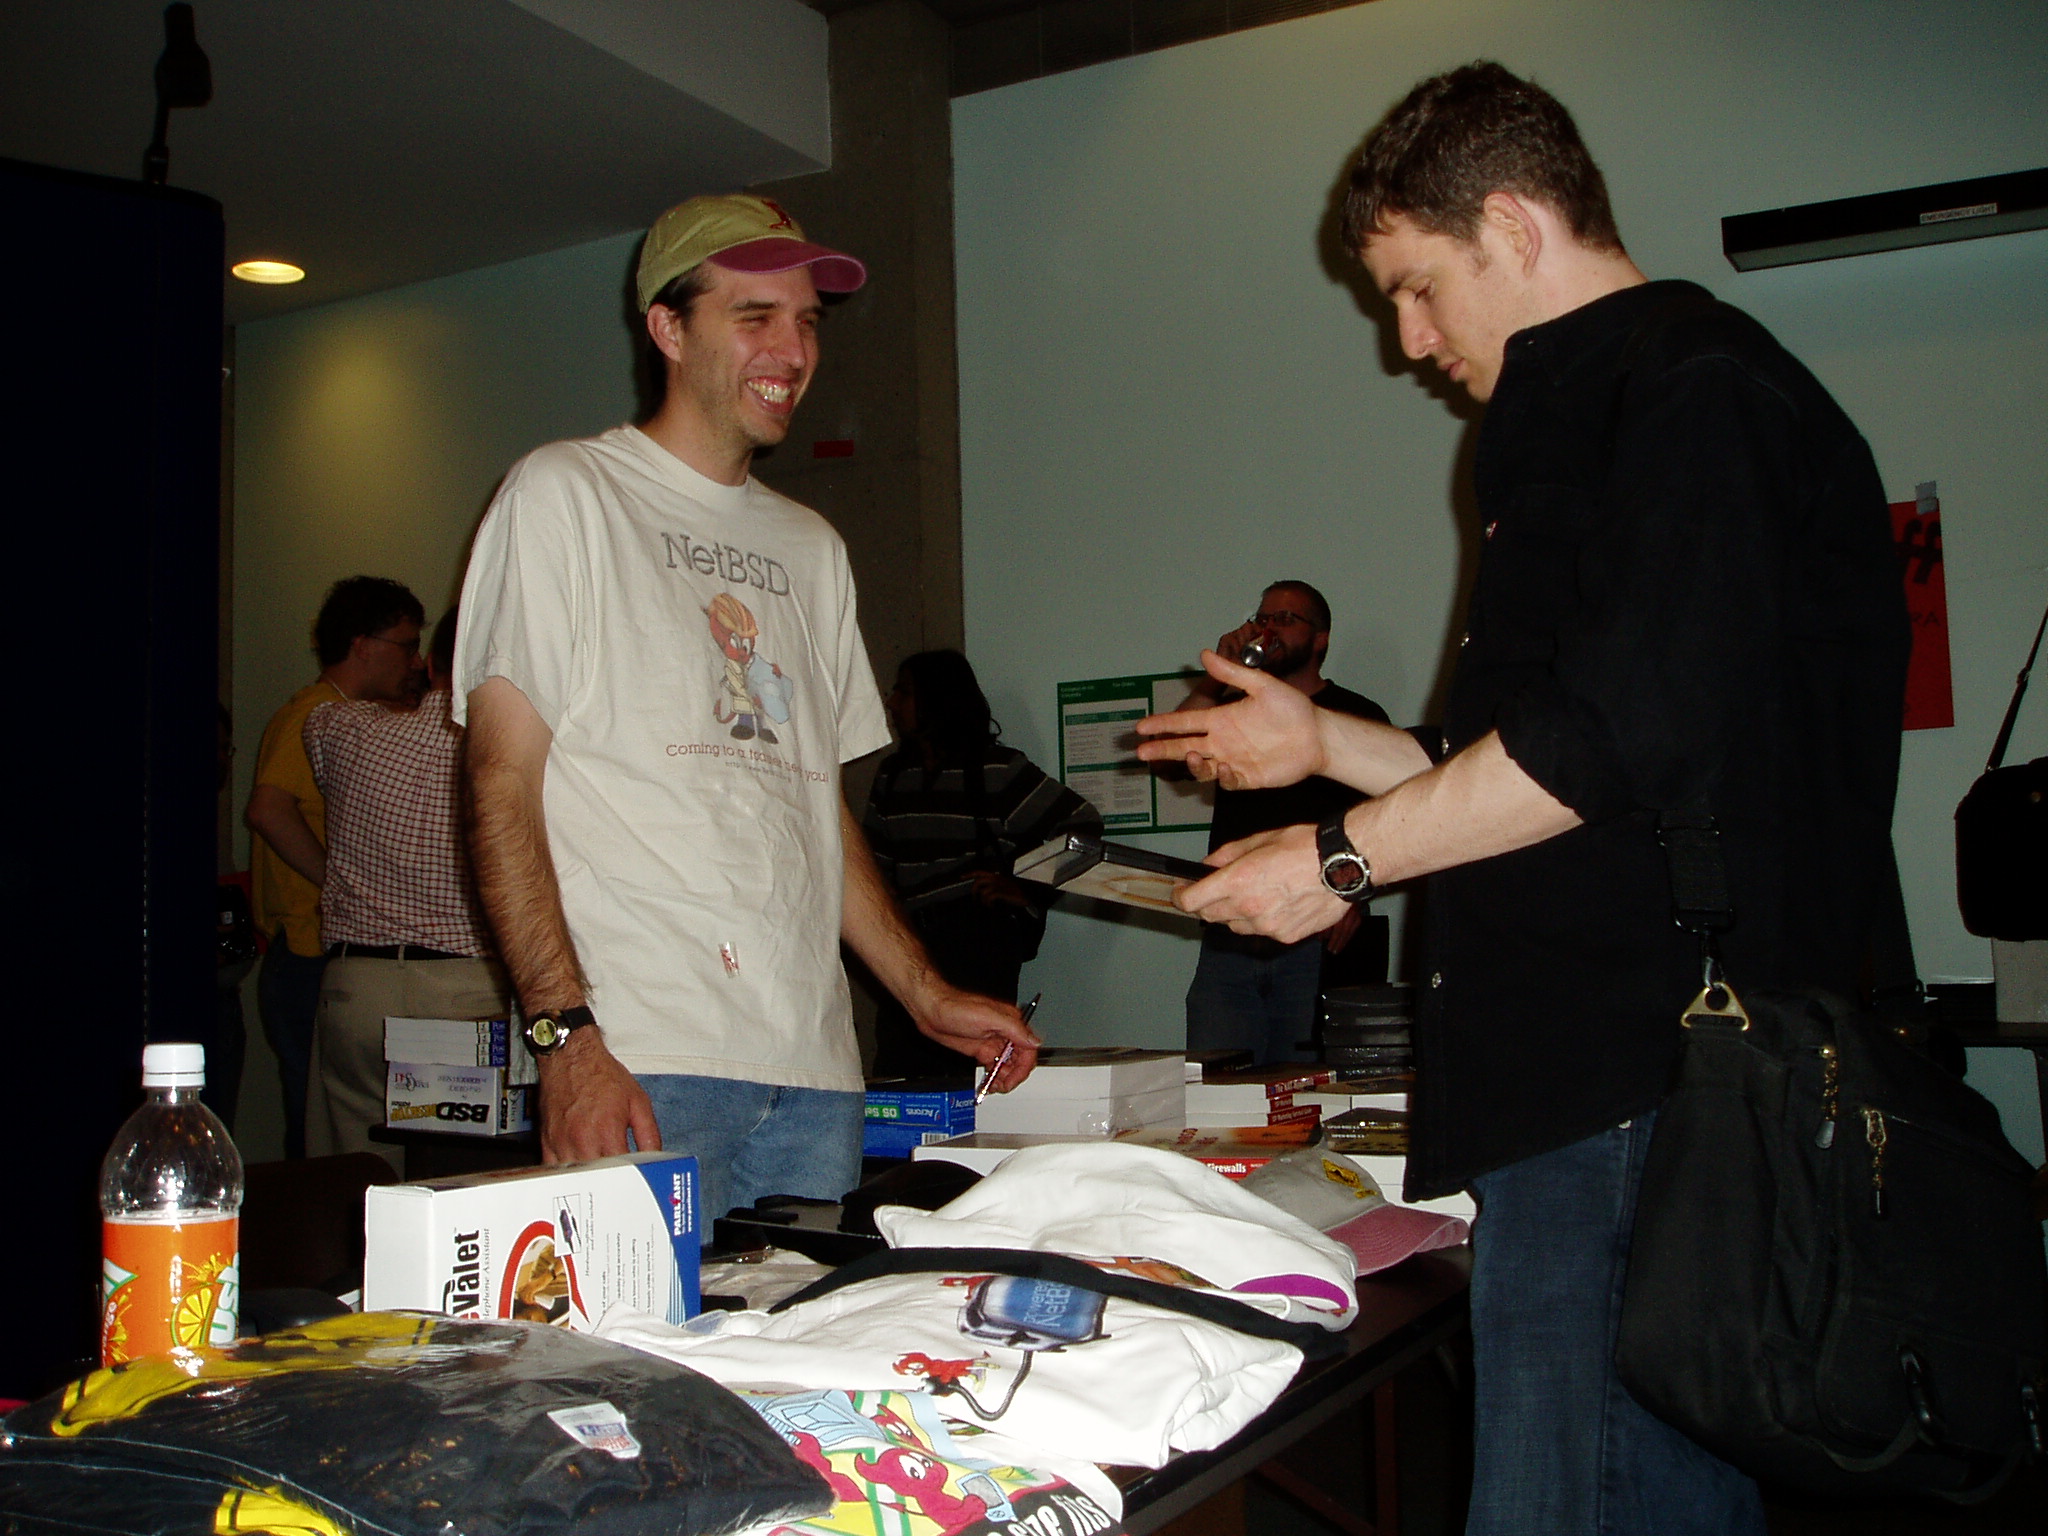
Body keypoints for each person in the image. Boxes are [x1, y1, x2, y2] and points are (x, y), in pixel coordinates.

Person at [1136, 63, 1906, 1536]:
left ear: (1509, 223)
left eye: (1418, 290)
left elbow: (1606, 739)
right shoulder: (1620, 402)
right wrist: (1327, 746)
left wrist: (1338, 862)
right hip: (1613, 1080)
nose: (1409, 343)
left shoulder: (1691, 390)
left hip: (1637, 1081)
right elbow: (1576, 760)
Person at [455, 193, 1040, 1220]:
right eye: (754, 316)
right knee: (642, 1331)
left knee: (801, 1329)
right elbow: (501, 785)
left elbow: (813, 808)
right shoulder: (565, 494)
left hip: (815, 1069)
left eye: (807, 320)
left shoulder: (812, 548)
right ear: (668, 328)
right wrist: (564, 1038)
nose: (794, 350)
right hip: (640, 1057)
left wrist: (921, 990)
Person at [303, 607, 510, 1168]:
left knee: (356, 1175)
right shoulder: (512, 751)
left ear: (431, 665)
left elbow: (330, 707)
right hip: (470, 994)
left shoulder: (338, 728)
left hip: (358, 988)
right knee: (464, 1174)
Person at [245, 575, 426, 1158]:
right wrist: (342, 885)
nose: (415, 661)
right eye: (406, 645)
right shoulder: (316, 714)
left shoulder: (348, 716)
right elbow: (268, 810)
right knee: (321, 1134)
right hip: (307, 951)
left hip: (317, 949)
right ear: (362, 645)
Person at [862, 649, 1100, 1080]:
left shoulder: (996, 769)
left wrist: (1028, 888)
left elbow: (1082, 825)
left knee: (969, 1063)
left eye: (904, 692)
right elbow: (872, 866)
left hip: (973, 939)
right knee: (899, 1069)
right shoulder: (892, 775)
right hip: (909, 941)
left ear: (937, 699)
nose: (892, 702)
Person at [1183, 582, 1390, 1064]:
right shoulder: (1237, 711)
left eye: (1285, 619)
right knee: (1214, 1085)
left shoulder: (1359, 715)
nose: (1268, 628)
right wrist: (1220, 674)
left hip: (1314, 935)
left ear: (1321, 639)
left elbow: (1395, 818)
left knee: (1305, 1090)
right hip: (1231, 936)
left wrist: (1356, 893)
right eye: (1263, 618)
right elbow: (1173, 755)